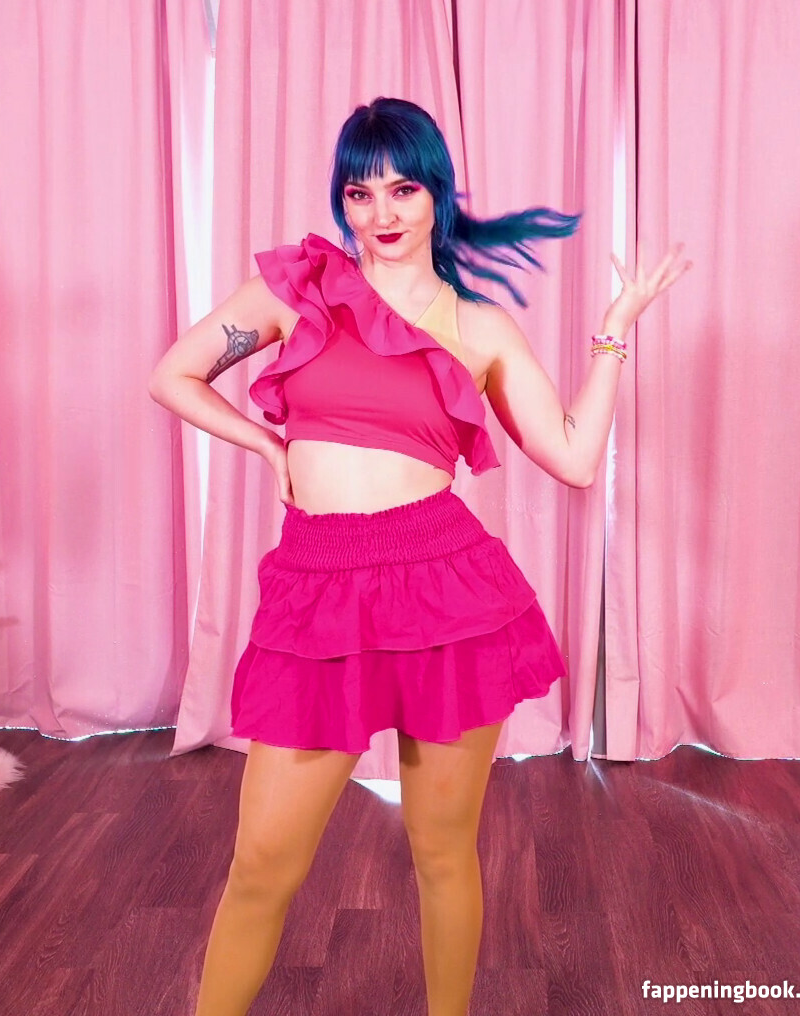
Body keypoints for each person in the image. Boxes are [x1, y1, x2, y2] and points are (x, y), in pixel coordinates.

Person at [148, 96, 691, 1016]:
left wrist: (613, 331)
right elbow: (173, 374)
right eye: (359, 193)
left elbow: (572, 458)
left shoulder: (477, 326)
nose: (382, 213)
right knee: (261, 865)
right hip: (316, 589)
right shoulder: (294, 293)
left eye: (402, 189)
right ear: (341, 201)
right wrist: (269, 447)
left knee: (442, 853)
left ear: (435, 192)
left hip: (444, 590)